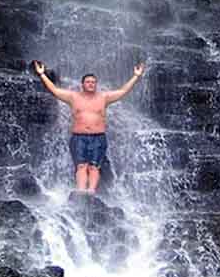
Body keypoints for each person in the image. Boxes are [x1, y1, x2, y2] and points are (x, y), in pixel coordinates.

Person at [32, 61, 145, 193]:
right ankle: (81, 192)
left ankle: (91, 192)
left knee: (94, 167)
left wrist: (136, 76)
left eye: (93, 82)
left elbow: (123, 91)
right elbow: (55, 90)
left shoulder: (104, 97)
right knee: (81, 166)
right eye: (88, 82)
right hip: (78, 137)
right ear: (82, 84)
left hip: (98, 138)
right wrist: (42, 74)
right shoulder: (73, 97)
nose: (91, 84)